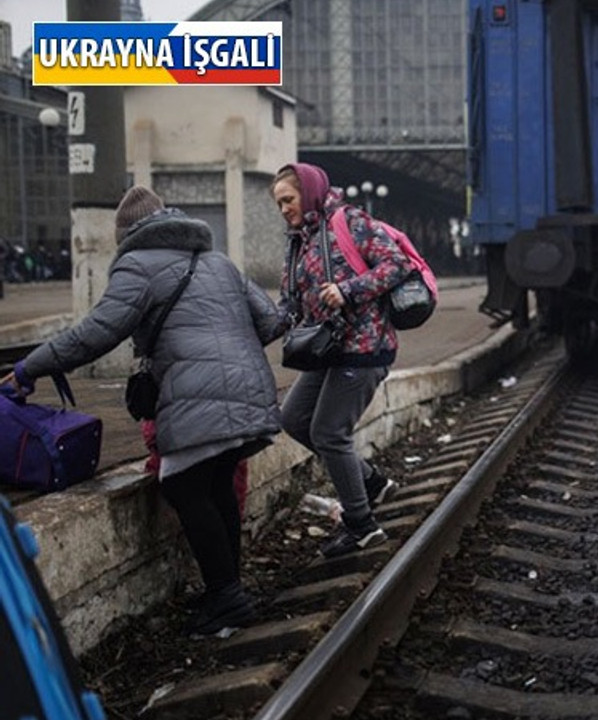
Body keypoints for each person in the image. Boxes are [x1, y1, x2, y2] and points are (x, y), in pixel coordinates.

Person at [0, 186, 283, 637]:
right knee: (215, 484)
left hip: (201, 396)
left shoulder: (138, 263)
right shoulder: (219, 261)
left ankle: (227, 597)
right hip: (252, 391)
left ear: (127, 233)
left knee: (185, 484)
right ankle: (227, 589)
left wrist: (29, 368)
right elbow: (269, 321)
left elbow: (96, 333)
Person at [271, 163, 405, 558]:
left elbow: (397, 265)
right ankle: (373, 484)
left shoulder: (350, 222)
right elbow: (288, 302)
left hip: (365, 346)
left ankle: (362, 526)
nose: (283, 209)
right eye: (278, 203)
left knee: (330, 433)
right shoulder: (299, 240)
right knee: (294, 418)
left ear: (309, 193)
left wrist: (348, 290)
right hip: (329, 350)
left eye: (288, 199)